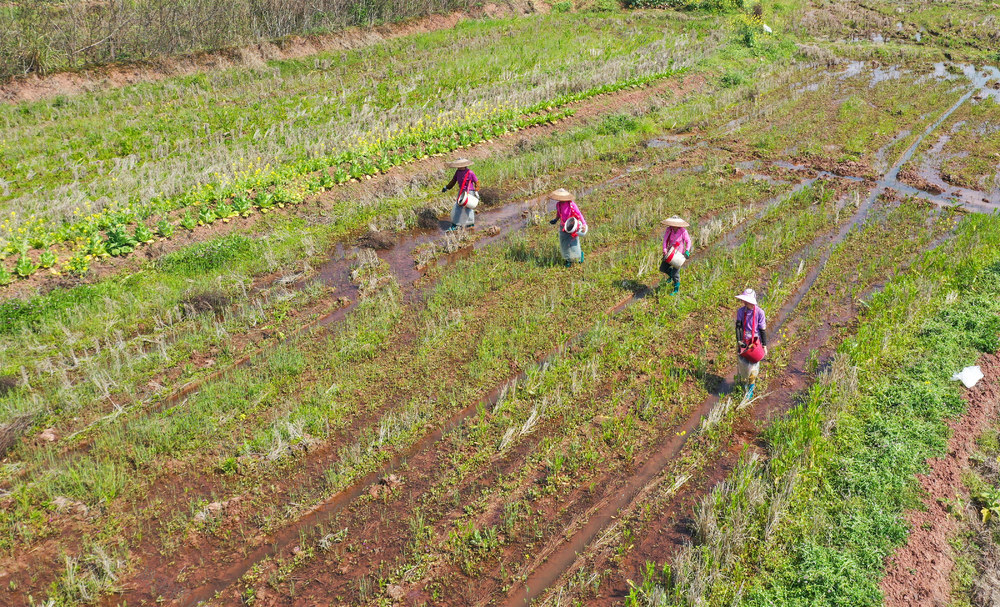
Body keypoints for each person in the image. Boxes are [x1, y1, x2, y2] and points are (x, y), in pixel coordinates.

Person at [734, 288, 768, 399]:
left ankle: (751, 388)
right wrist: (739, 341)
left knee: (753, 367)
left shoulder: (759, 313)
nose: (745, 302)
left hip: (754, 343)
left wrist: (764, 345)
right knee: (743, 364)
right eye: (744, 300)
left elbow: (762, 330)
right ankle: (743, 382)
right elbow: (738, 327)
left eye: (747, 301)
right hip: (743, 342)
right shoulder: (740, 312)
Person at [547, 188, 587, 268]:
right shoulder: (558, 205)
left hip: (572, 225)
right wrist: (555, 220)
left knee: (573, 242)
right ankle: (568, 259)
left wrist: (584, 224)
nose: (561, 200)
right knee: (564, 243)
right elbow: (559, 214)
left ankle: (579, 256)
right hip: (564, 226)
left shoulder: (571, 204)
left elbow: (579, 214)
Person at [442, 158, 478, 231]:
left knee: (469, 207)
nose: (459, 167)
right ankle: (455, 224)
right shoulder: (457, 172)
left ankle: (470, 224)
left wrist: (476, 191)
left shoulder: (470, 173)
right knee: (458, 207)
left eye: (460, 165)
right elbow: (453, 181)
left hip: (469, 192)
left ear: (464, 165)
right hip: (462, 192)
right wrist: (447, 187)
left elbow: (477, 182)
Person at [659, 216, 692, 295]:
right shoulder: (669, 230)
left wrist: (687, 251)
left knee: (675, 274)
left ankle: (676, 289)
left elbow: (688, 241)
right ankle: (670, 276)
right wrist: (664, 250)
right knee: (663, 268)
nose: (674, 225)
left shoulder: (683, 231)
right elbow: (665, 241)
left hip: (679, 255)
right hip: (670, 252)